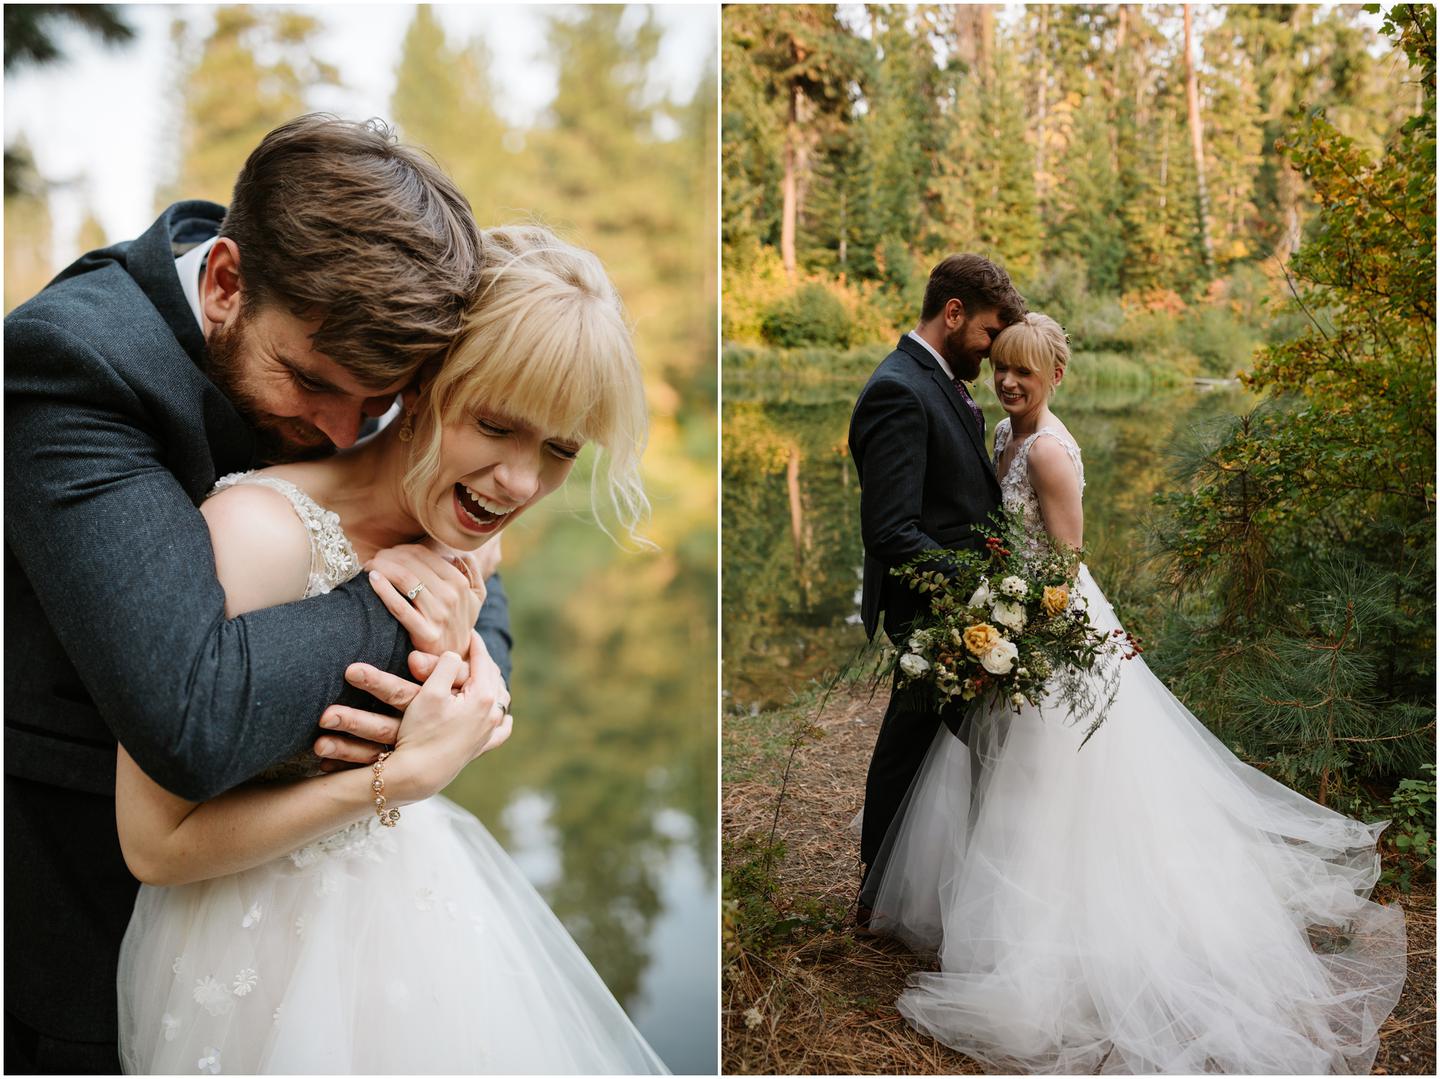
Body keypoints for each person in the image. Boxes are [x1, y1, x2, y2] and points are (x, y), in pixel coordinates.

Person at [4, 115, 512, 1074]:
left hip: (317, 922)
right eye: (312, 382)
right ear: (226, 282)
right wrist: (400, 605)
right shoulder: (67, 365)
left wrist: (471, 675)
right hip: (78, 911)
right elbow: (188, 712)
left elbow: (476, 583)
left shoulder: (334, 330)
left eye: (380, 405)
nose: (342, 433)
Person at [114, 224, 668, 1074]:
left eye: (560, 449)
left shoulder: (468, 533)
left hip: (421, 924)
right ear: (420, 384)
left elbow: (463, 703)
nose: (522, 481)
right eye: (496, 425)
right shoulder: (257, 534)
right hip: (252, 958)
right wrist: (397, 781)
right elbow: (153, 846)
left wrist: (469, 683)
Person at [864, 313, 1407, 1074]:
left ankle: (1051, 948)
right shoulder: (1004, 435)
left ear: (1057, 375)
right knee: (1002, 774)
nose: (1009, 382)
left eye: (1025, 371)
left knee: (1050, 781)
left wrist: (1021, 627)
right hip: (1009, 616)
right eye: (1002, 368)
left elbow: (1066, 559)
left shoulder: (1049, 451)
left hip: (1052, 626)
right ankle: (991, 926)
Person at [848, 254, 1027, 909]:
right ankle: (882, 889)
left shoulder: (939, 380)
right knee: (917, 742)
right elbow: (892, 533)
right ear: (953, 313)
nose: (993, 351)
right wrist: (983, 589)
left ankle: (910, 885)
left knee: (927, 743)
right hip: (931, 605)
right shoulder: (900, 389)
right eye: (989, 333)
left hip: (960, 604)